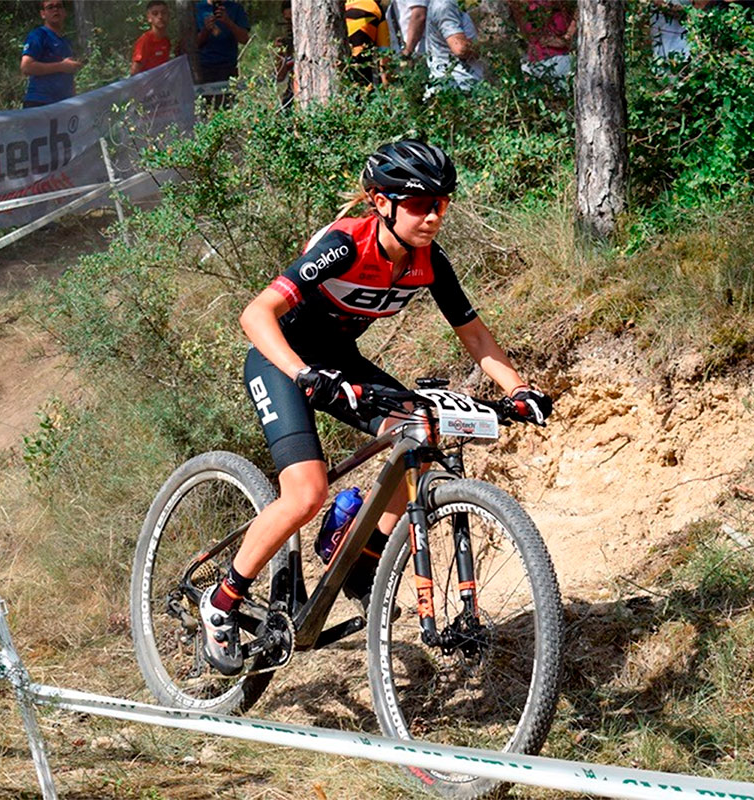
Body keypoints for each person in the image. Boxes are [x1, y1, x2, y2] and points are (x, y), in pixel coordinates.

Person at [199, 140, 554, 675]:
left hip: (338, 360)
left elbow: (476, 337)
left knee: (422, 434)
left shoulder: (429, 262)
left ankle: (359, 555)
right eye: (418, 204)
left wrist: (519, 390)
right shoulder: (346, 244)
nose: (432, 216)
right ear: (380, 201)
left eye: (441, 203)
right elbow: (256, 315)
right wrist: (301, 374)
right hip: (281, 361)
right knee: (307, 492)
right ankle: (222, 600)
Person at [20, 0, 83, 108]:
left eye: (59, 6)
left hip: (64, 104)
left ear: (64, 12)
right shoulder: (38, 35)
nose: (55, 9)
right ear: (43, 14)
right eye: (50, 7)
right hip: (40, 103)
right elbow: (26, 67)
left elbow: (68, 76)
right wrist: (62, 66)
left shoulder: (65, 42)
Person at [425, 0, 485, 93]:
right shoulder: (445, 5)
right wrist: (491, 48)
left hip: (462, 86)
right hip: (457, 88)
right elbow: (461, 49)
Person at [508, 0, 576, 81]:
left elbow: (581, 11)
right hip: (536, 64)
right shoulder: (520, 6)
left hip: (564, 58)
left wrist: (567, 37)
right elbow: (527, 33)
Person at [194, 0, 251, 84]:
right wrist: (206, 30)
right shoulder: (197, 9)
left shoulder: (236, 8)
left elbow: (244, 39)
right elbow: (192, 44)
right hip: (203, 67)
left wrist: (228, 22)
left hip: (228, 66)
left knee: (227, 96)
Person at [345, 0, 391, 86]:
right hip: (362, 77)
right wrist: (387, 85)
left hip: (335, 71)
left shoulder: (338, 8)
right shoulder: (375, 8)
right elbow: (384, 54)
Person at [131, 0, 174, 75]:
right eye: (155, 13)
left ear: (168, 15)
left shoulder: (166, 40)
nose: (160, 16)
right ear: (149, 18)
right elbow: (134, 72)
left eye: (163, 13)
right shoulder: (145, 41)